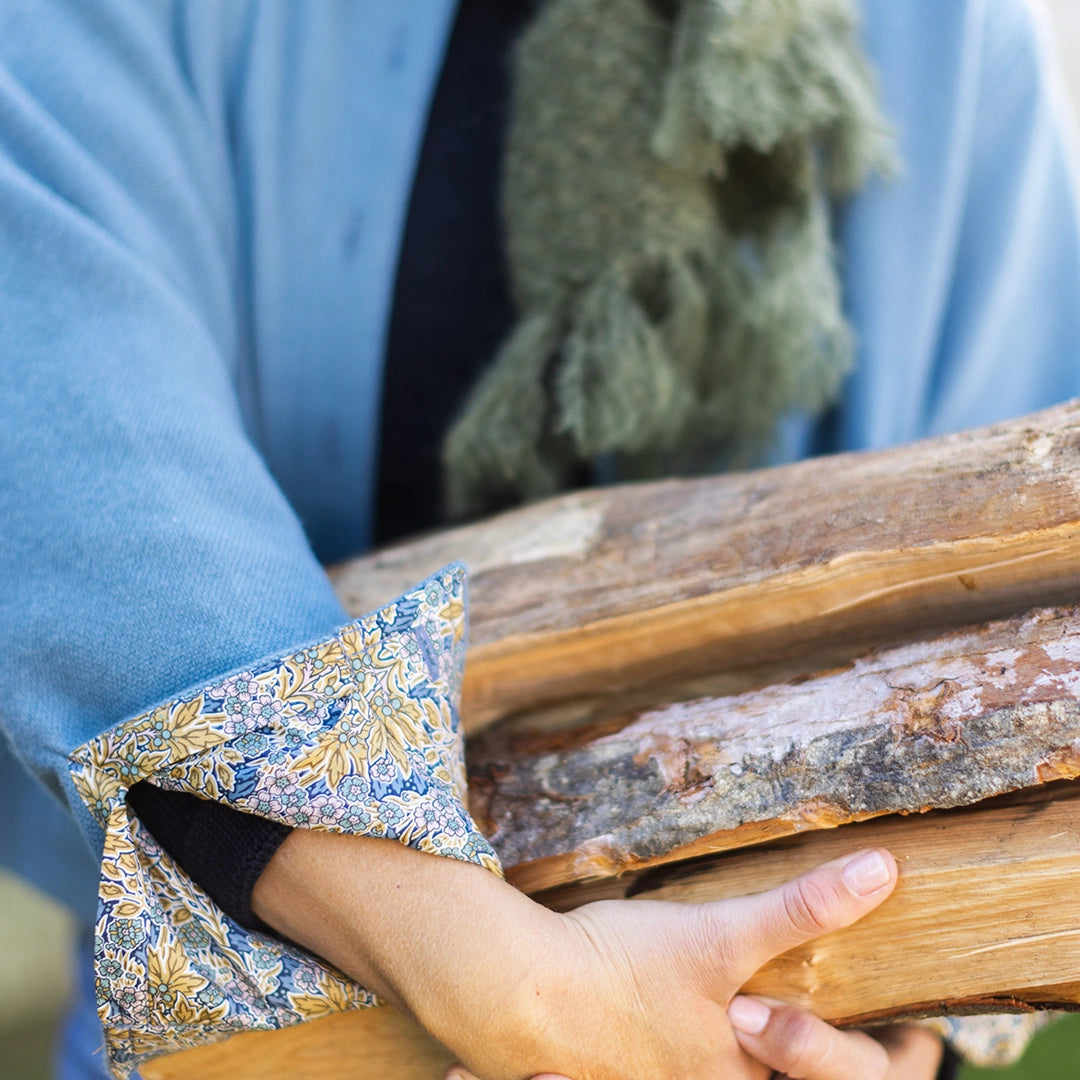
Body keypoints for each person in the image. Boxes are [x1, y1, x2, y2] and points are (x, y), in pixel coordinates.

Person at [2, 1, 1079, 1078]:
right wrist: (497, 973)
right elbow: (63, 396)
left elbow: (997, 613)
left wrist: (883, 1033)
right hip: (260, 1029)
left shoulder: (942, 39)